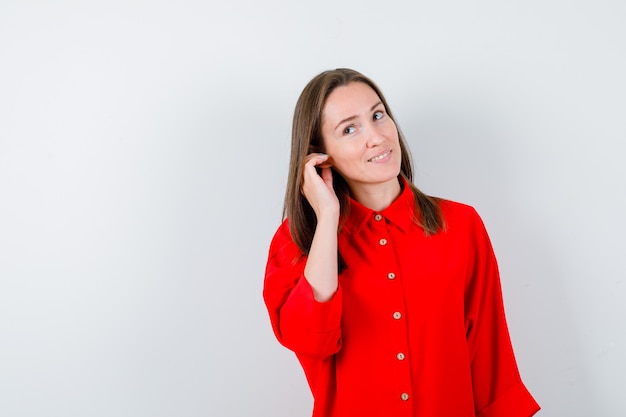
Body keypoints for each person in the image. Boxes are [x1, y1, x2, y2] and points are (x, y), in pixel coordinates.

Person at [263, 68, 540, 417]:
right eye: (349, 129)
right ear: (320, 154)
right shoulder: (298, 240)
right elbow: (310, 340)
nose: (377, 137)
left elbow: (490, 362)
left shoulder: (461, 225)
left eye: (378, 115)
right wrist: (328, 218)